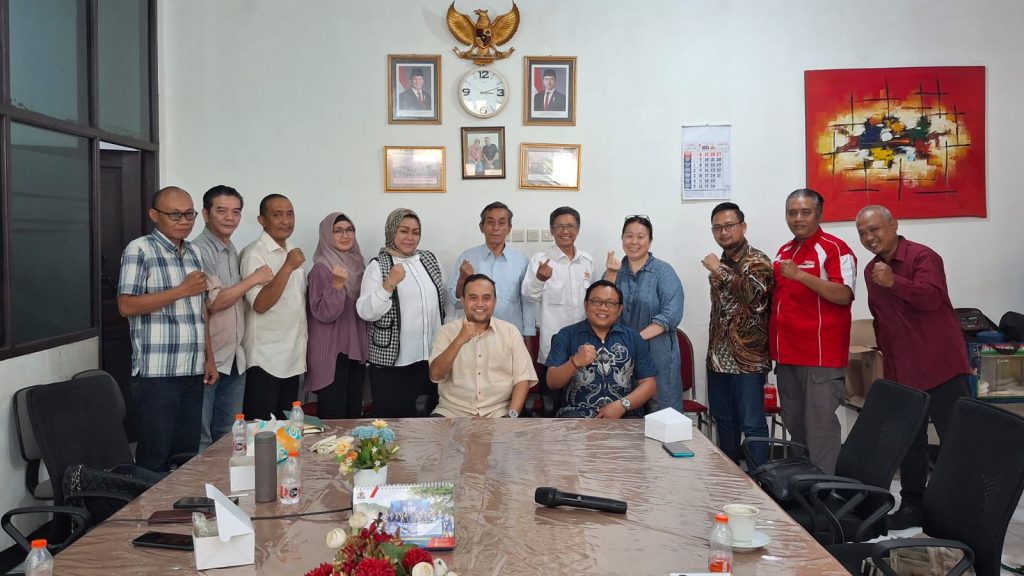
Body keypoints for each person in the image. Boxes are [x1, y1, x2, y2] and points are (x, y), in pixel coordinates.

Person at [855, 205, 970, 529]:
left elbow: (932, 298)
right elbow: (882, 320)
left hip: (941, 366)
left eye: (874, 229)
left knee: (957, 440)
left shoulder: (923, 257)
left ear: (893, 225)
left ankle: (963, 508)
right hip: (902, 369)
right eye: (862, 233)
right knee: (909, 442)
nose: (869, 237)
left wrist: (894, 282)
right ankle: (912, 506)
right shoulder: (871, 270)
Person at [117, 186, 217, 472]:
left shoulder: (194, 252)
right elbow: (126, 305)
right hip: (157, 372)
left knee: (186, 455)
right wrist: (180, 290)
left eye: (189, 214)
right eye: (175, 215)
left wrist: (209, 358)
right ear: (154, 215)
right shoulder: (140, 250)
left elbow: (201, 310)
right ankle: (147, 502)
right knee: (155, 455)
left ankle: (179, 503)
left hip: (192, 369)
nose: (184, 221)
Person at [770, 188, 856, 475]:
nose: (798, 218)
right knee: (795, 426)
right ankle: (803, 486)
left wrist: (800, 275)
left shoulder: (834, 248)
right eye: (792, 213)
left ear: (819, 214)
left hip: (819, 358)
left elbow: (844, 294)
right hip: (787, 357)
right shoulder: (784, 251)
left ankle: (825, 491)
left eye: (805, 212)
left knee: (820, 429)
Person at [193, 185, 273, 450]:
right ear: (206, 214)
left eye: (236, 212)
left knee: (230, 436)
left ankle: (226, 478)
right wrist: (254, 279)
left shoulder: (230, 249)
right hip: (210, 358)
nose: (230, 218)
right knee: (202, 439)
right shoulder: (199, 251)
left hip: (234, 356)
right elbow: (214, 303)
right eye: (222, 211)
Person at [702, 202, 773, 468]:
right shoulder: (722, 262)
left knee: (752, 424)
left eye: (729, 225)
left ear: (743, 226)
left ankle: (761, 482)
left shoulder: (757, 260)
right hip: (719, 359)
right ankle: (730, 479)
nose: (723, 232)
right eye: (717, 227)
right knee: (724, 421)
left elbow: (754, 295)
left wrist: (718, 270)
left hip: (748, 361)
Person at [357, 208, 445, 417]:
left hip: (430, 361)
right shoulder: (378, 266)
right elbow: (366, 312)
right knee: (395, 425)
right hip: (393, 365)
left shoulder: (429, 260)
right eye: (404, 231)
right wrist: (389, 284)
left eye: (415, 232)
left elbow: (444, 304)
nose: (410, 238)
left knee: (429, 423)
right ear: (391, 232)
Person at [604, 215, 684, 413]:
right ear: (622, 238)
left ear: (650, 240)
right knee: (625, 413)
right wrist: (611, 273)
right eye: (629, 236)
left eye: (640, 237)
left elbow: (671, 315)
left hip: (658, 353)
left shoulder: (663, 272)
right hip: (621, 355)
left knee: (662, 412)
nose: (634, 242)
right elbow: (602, 308)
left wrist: (635, 339)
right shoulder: (615, 270)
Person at [429, 274, 537, 418]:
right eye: (473, 298)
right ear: (463, 300)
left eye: (486, 298)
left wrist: (511, 416)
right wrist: (459, 340)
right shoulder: (446, 332)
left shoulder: (510, 332)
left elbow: (523, 379)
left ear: (494, 301)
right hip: (451, 413)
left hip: (498, 414)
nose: (480, 304)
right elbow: (435, 375)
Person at [546, 280, 657, 418]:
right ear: (585, 305)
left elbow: (649, 384)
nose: (603, 308)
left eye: (610, 303)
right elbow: (552, 382)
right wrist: (574, 362)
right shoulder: (567, 335)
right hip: (576, 413)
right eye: (596, 302)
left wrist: (622, 405)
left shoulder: (633, 338)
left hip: (623, 413)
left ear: (620, 309)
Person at [240, 194, 307, 421]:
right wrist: (287, 267)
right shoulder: (254, 254)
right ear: (262, 220)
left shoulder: (294, 250)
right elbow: (260, 305)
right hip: (265, 359)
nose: (286, 221)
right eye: (277, 215)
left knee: (288, 430)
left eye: (290, 214)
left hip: (293, 356)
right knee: (262, 432)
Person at [522, 207, 595, 406]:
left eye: (570, 226)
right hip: (554, 348)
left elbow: (593, 301)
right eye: (559, 226)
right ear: (551, 230)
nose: (565, 231)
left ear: (578, 229)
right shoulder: (541, 260)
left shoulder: (587, 261)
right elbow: (528, 296)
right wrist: (539, 279)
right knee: (553, 406)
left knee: (585, 402)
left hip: (584, 346)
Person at [307, 212, 368, 420]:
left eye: (349, 230)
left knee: (353, 416)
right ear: (326, 235)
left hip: (355, 351)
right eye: (337, 231)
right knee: (334, 418)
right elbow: (324, 314)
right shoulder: (321, 269)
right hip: (332, 354)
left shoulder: (360, 265)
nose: (345, 235)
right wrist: (336, 285)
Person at [448, 202, 535, 343]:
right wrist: (463, 279)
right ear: (481, 227)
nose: (496, 228)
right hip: (474, 336)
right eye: (490, 222)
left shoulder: (520, 260)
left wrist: (529, 336)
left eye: (501, 223)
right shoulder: (467, 257)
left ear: (509, 228)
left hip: (510, 335)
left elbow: (527, 302)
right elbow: (456, 302)